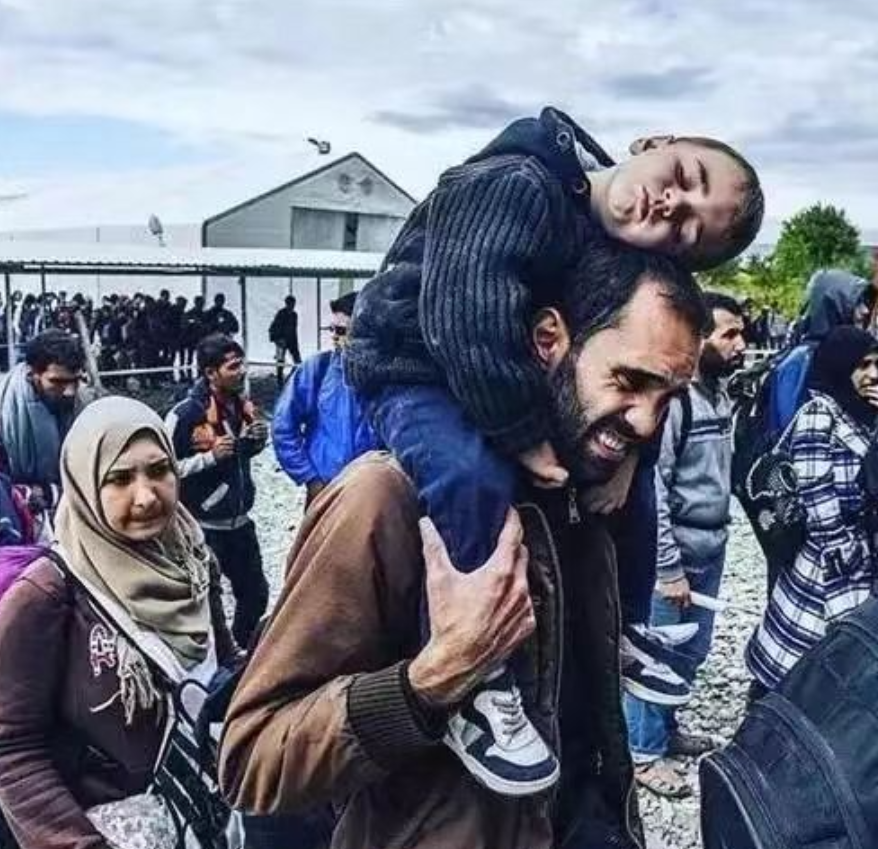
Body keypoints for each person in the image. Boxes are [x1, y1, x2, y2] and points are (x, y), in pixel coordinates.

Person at [219, 247, 707, 848]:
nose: (647, 423)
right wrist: (429, 682)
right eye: (629, 382)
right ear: (548, 340)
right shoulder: (386, 500)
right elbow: (252, 758)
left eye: (669, 399)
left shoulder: (592, 493)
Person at [345, 106, 762, 793]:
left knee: (637, 464)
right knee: (469, 475)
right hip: (412, 359)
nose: (672, 204)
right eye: (684, 176)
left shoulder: (595, 238)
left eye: (687, 228)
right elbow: (467, 314)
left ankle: (629, 629)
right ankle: (479, 680)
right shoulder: (519, 182)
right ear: (654, 142)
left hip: (487, 366)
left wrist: (628, 460)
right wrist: (523, 434)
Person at [0, 397, 237, 849]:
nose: (146, 496)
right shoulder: (48, 595)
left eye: (159, 470)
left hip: (205, 810)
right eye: (120, 478)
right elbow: (13, 749)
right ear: (85, 483)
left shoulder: (192, 557)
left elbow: (222, 662)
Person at [625, 292, 745, 799]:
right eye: (729, 334)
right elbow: (654, 488)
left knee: (691, 651)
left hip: (711, 547)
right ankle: (643, 753)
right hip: (677, 554)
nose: (741, 344)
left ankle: (666, 730)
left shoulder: (720, 396)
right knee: (657, 653)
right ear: (700, 340)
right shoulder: (678, 403)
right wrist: (667, 568)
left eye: (742, 333)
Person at [746, 327, 878, 696]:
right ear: (840, 366)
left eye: (877, 364)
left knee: (841, 660)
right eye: (862, 365)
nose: (873, 374)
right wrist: (841, 549)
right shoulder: (820, 414)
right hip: (827, 557)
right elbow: (815, 490)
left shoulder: (865, 415)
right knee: (800, 653)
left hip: (860, 552)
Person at [166, 334, 269, 648]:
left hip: (240, 523)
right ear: (210, 373)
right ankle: (214, 658)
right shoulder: (184, 415)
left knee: (256, 595)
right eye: (233, 367)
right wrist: (208, 458)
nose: (242, 371)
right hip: (203, 528)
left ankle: (240, 654)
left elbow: (237, 457)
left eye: (242, 364)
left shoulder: (240, 406)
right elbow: (163, 469)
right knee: (204, 603)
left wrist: (255, 442)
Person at [273, 292, 378, 508]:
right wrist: (309, 477)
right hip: (325, 490)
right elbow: (283, 427)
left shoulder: (387, 377)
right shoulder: (316, 370)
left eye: (341, 331)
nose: (334, 337)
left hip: (374, 496)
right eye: (332, 329)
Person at [0, 329, 86, 522]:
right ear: (33, 373)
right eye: (58, 382)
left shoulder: (85, 405)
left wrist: (50, 492)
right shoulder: (4, 410)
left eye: (75, 381)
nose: (70, 392)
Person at [269, 295, 302, 387]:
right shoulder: (281, 314)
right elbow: (274, 327)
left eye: (293, 304)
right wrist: (277, 340)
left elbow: (294, 330)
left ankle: (294, 378)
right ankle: (280, 380)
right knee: (280, 361)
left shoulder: (294, 315)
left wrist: (295, 343)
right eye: (290, 304)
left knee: (297, 361)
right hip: (281, 340)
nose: (292, 306)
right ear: (287, 304)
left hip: (291, 340)